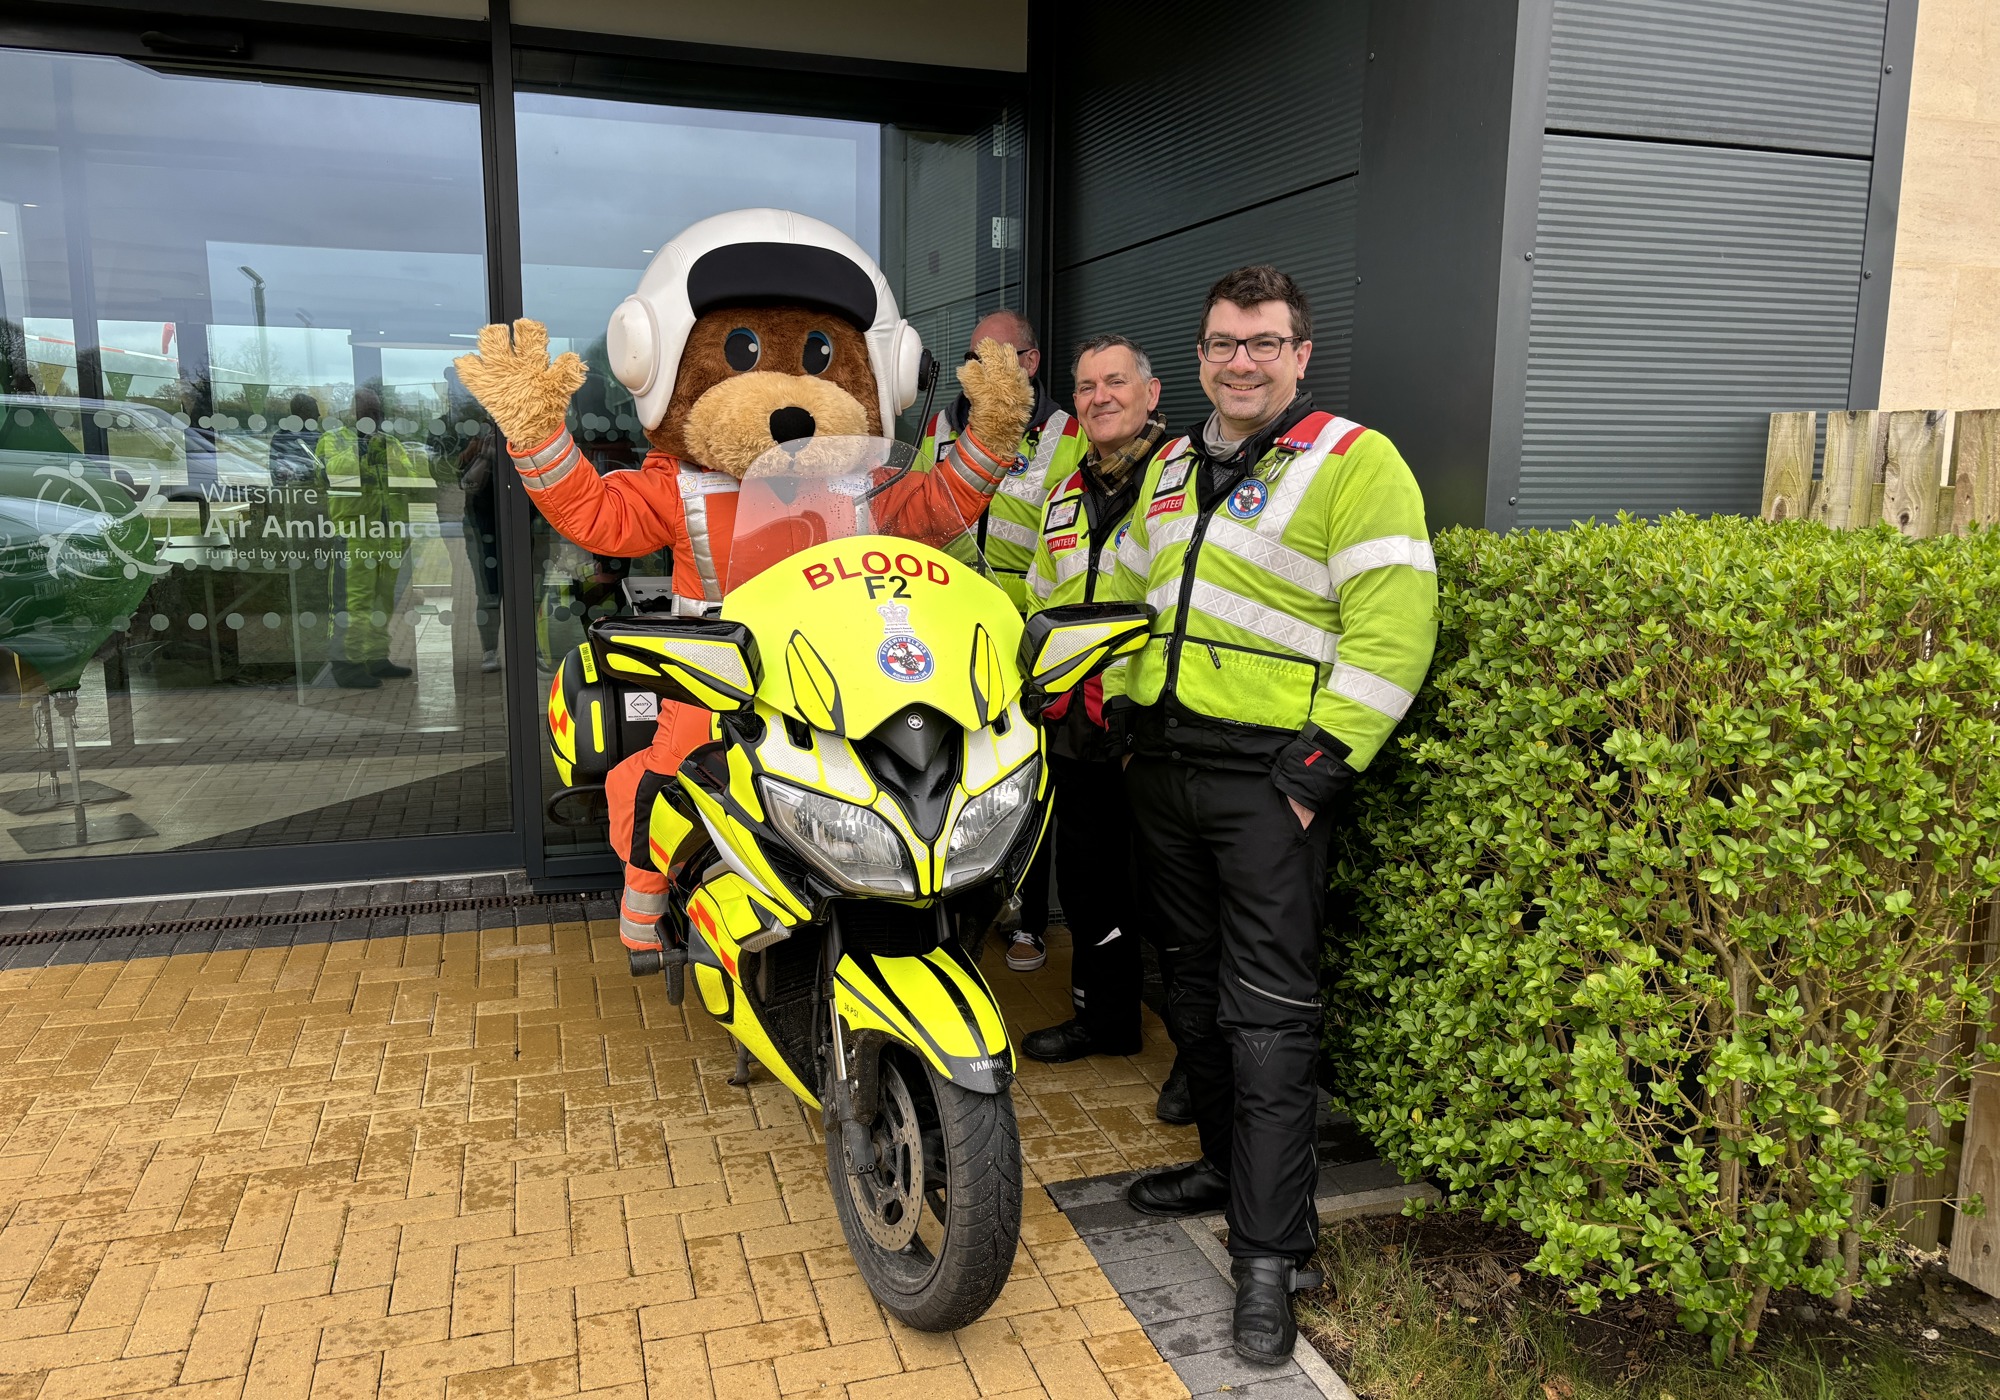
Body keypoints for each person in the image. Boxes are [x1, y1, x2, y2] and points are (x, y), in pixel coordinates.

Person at [1105, 267, 1438, 1364]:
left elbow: (1393, 633)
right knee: (1186, 987)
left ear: (1299, 353)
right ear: (1195, 357)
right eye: (1218, 343)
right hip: (1162, 767)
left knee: (1267, 1017)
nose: (1237, 361)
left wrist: (1312, 774)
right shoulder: (1166, 464)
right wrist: (1104, 700)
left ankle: (1268, 1255)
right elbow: (1121, 599)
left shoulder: (1355, 461)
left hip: (1268, 782)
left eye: (1261, 342)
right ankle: (1213, 1162)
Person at [1017, 333, 1190, 1125]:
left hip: (1152, 725)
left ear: (1150, 393)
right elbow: (1037, 600)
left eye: (1115, 382)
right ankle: (1106, 1017)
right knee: (1088, 883)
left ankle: (1199, 1059)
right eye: (1085, 387)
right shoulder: (1063, 492)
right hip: (1079, 729)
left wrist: (1134, 706)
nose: (1099, 398)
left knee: (1177, 902)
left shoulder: (1184, 481)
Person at [919, 309, 1087, 973]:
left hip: (1021, 635)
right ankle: (953, 909)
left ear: (1032, 361)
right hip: (945, 627)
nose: (979, 370)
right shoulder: (942, 426)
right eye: (972, 356)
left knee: (1022, 772)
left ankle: (1025, 918)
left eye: (997, 354)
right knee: (951, 773)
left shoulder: (1067, 434)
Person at [317, 386, 416, 690]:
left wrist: (386, 457)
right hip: (355, 535)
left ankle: (375, 657)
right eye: (365, 412)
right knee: (354, 603)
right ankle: (346, 664)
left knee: (382, 602)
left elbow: (412, 480)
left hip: (388, 537)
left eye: (376, 412)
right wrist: (361, 449)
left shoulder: (391, 444)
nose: (371, 417)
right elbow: (332, 476)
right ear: (352, 413)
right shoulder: (333, 441)